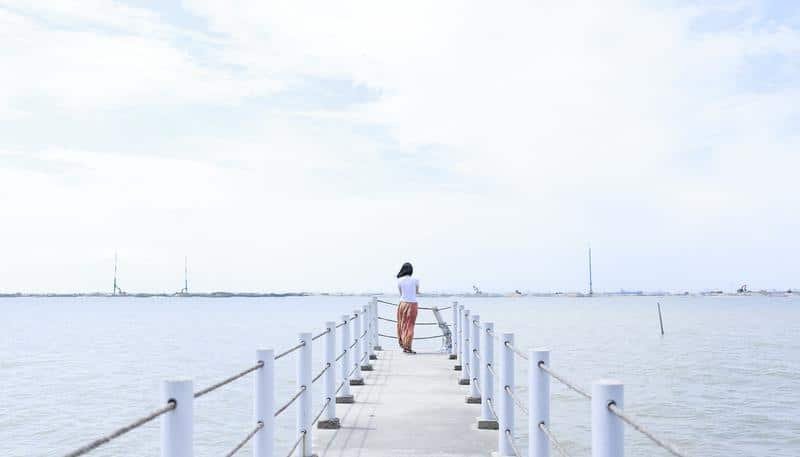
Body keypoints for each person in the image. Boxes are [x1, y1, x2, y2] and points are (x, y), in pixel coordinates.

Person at [396, 262, 419, 354]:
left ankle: (403, 345)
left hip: (402, 304)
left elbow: (401, 293)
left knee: (401, 325)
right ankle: (408, 347)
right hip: (412, 304)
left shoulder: (400, 280)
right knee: (410, 326)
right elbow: (416, 292)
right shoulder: (415, 280)